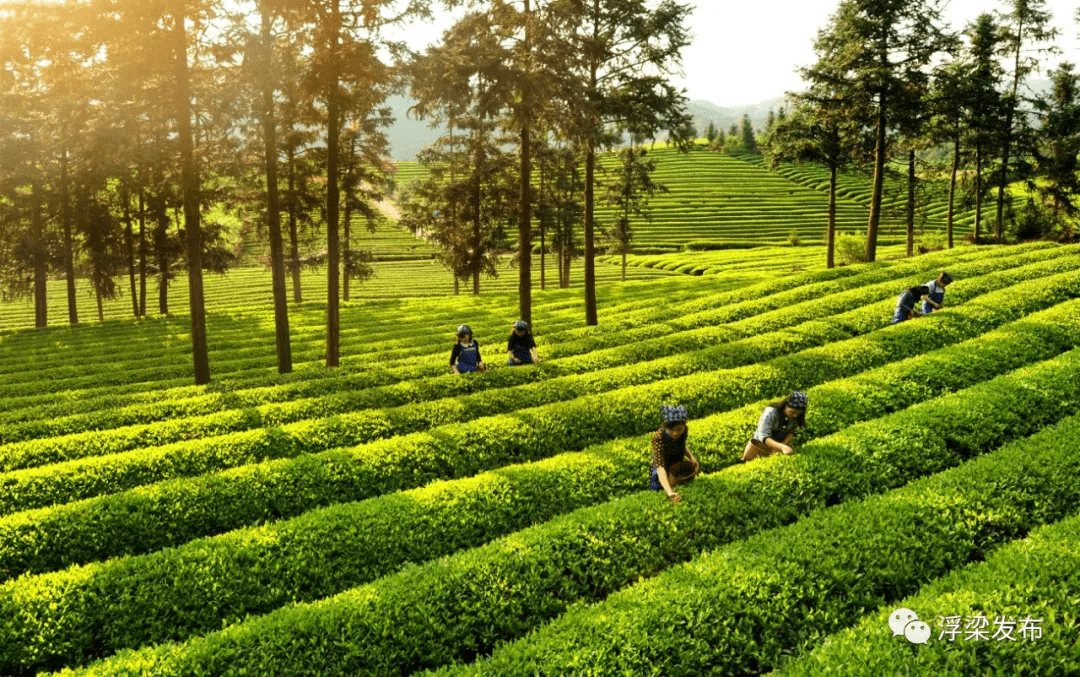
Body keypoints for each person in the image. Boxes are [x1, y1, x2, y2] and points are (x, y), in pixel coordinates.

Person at [649, 404, 700, 503]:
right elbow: (660, 467)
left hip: (677, 458)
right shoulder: (658, 438)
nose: (675, 433)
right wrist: (669, 492)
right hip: (662, 462)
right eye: (671, 430)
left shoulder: (685, 430)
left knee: (680, 481)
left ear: (684, 426)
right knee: (657, 488)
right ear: (666, 426)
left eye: (679, 429)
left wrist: (691, 457)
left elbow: (682, 445)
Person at [741, 391, 808, 462]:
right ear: (786, 405)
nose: (795, 415)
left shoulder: (796, 417)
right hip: (760, 448)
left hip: (777, 448)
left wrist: (782, 445)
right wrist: (781, 447)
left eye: (798, 413)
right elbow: (763, 436)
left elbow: (792, 432)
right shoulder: (771, 412)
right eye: (792, 412)